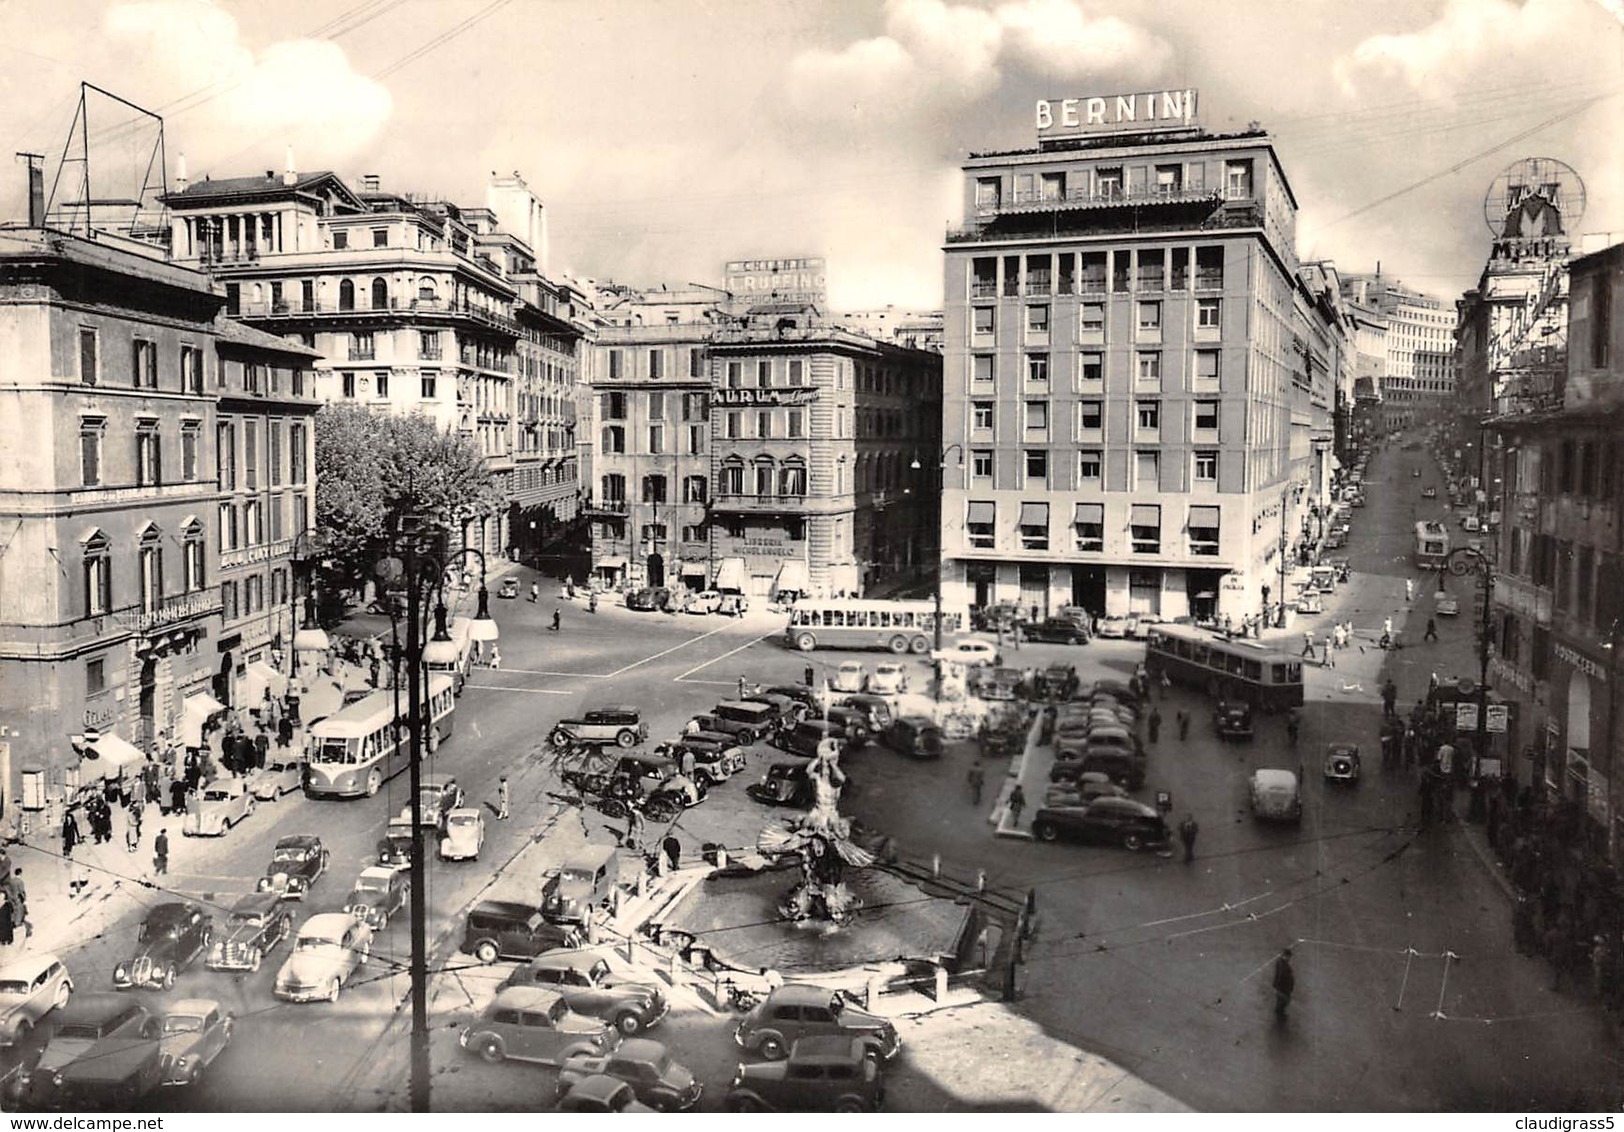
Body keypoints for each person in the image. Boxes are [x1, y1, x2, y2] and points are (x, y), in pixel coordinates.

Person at [1272, 948, 1296, 1019]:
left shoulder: (1279, 962)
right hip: (1284, 987)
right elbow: (1281, 976)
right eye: (1288, 957)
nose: (1289, 958)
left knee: (1280, 999)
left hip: (1281, 987)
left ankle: (1278, 1011)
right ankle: (1280, 1013)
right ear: (1286, 956)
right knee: (1285, 1000)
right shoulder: (1284, 966)